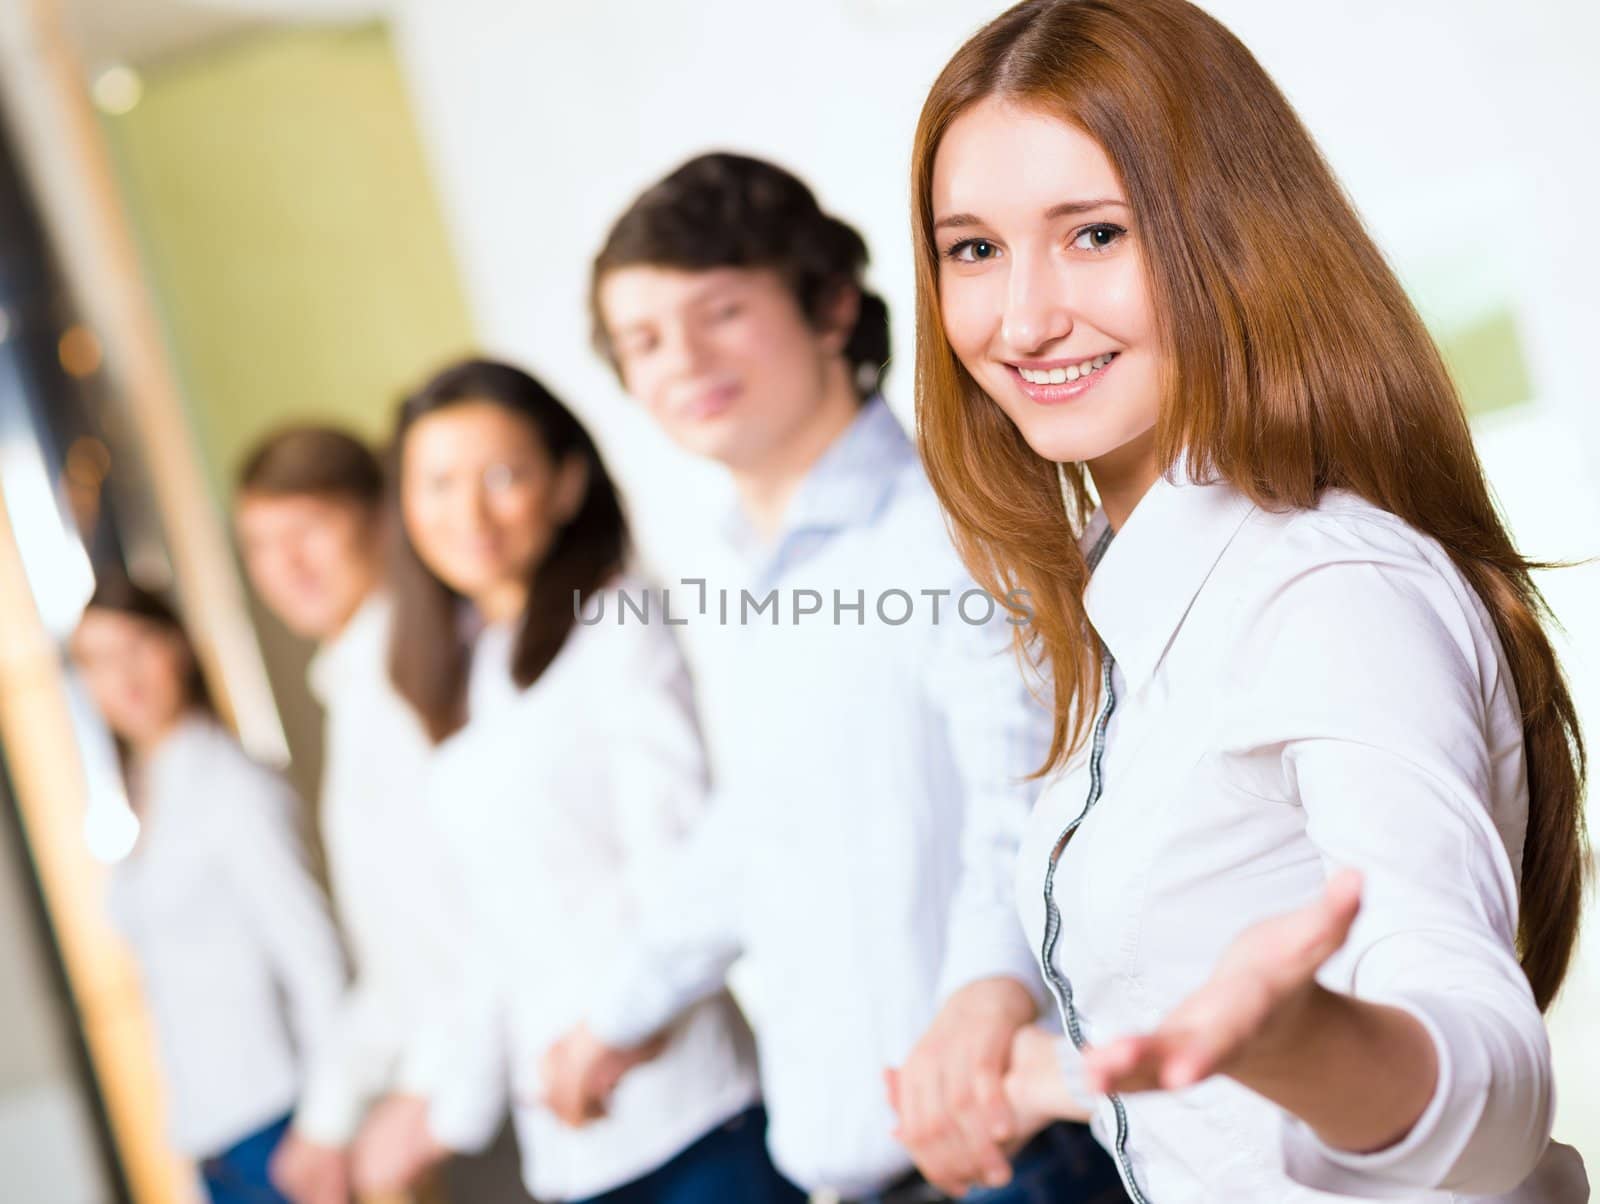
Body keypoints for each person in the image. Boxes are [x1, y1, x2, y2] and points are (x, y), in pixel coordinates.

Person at [910, 1, 1591, 1200]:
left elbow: (1486, 1077)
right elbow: (1198, 995)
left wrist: (1310, 1046)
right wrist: (1048, 1071)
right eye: (973, 249)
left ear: (1230, 237)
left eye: (1095, 233)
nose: (1021, 319)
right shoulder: (1120, 593)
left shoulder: (1328, 591)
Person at [547, 152, 1125, 1203]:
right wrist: (618, 1014)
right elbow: (756, 829)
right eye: (641, 338)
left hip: (1005, 1159)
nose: (680, 358)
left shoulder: (948, 527)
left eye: (718, 310)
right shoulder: (765, 573)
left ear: (828, 309)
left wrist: (983, 996)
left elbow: (1031, 790)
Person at [383, 357, 792, 1204]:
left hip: (686, 1114)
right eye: (438, 484)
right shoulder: (470, 669)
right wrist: (440, 1109)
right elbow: (494, 929)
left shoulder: (616, 624)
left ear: (567, 485)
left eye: (502, 476)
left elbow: (678, 865)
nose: (469, 513)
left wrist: (614, 1031)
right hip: (569, 1141)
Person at [233, 427, 522, 1202]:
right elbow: (403, 963)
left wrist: (424, 1099)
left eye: (308, 532)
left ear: (381, 521)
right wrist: (329, 1118)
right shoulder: (353, 687)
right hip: (462, 1087)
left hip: (507, 1083)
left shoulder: (424, 671)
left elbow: (495, 915)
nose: (285, 566)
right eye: (261, 544)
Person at [70, 577, 346, 1204]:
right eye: (98, 662)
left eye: (138, 646)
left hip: (280, 1129)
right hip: (212, 1141)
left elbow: (316, 959)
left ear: (179, 648)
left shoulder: (232, 787)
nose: (124, 676)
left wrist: (327, 1125)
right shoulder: (148, 797)